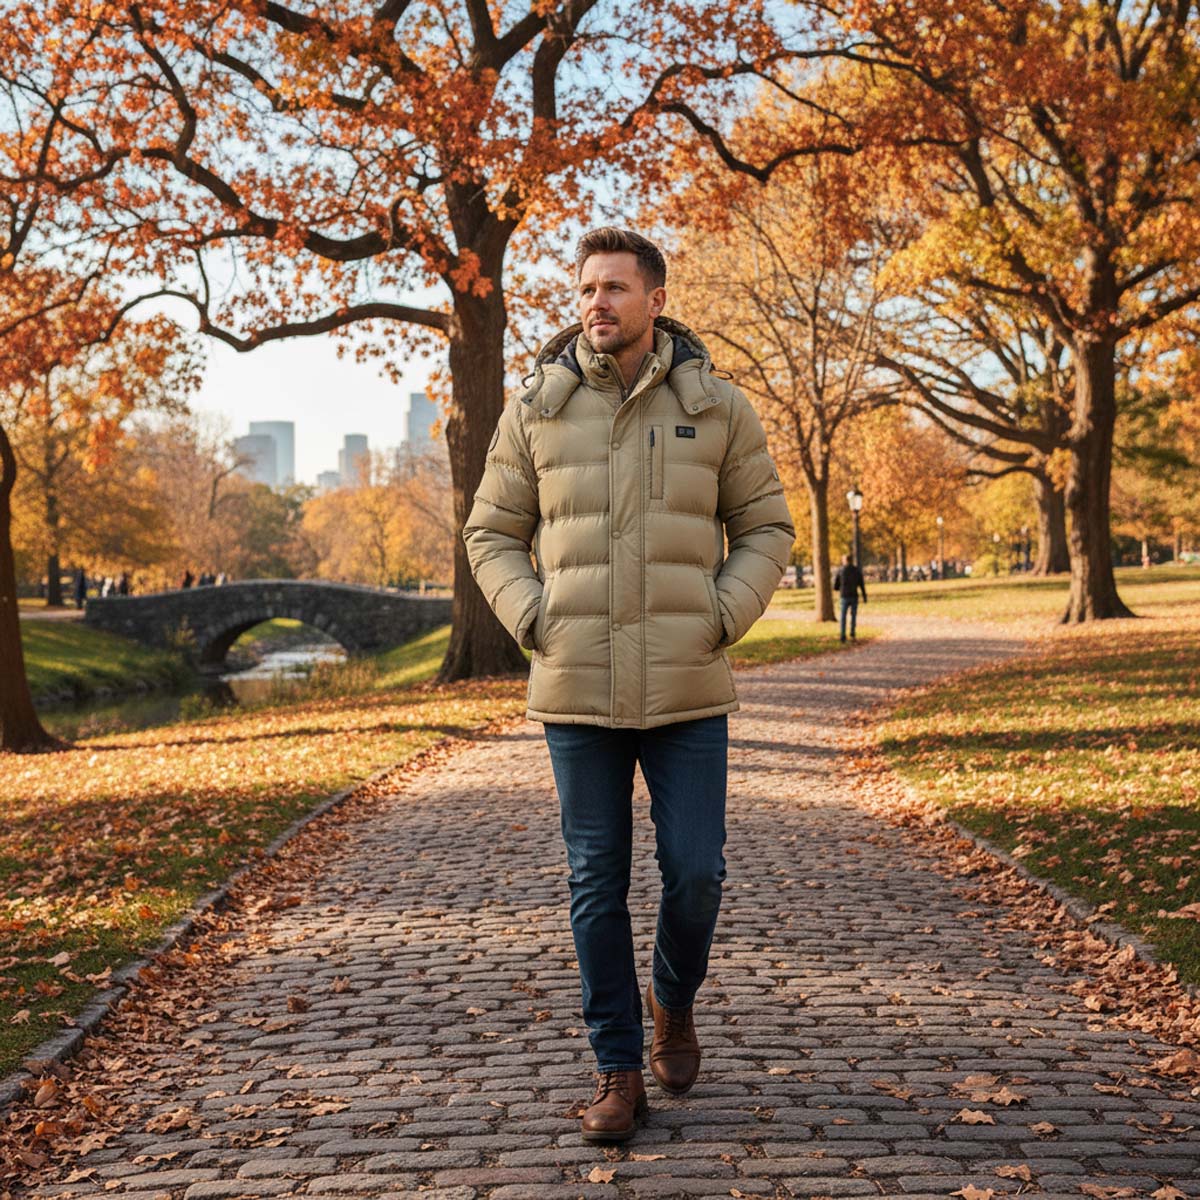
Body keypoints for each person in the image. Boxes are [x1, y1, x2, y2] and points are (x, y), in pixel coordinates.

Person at [463, 227, 794, 1144]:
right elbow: (489, 532)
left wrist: (719, 616)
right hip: (577, 688)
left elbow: (767, 528)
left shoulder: (718, 407)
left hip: (688, 684)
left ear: (655, 300)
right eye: (584, 290)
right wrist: (535, 618)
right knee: (592, 883)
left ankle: (672, 1000)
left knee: (696, 873)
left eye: (614, 288)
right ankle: (617, 1069)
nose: (595, 303)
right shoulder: (536, 407)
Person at [833, 553, 867, 641]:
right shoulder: (856, 570)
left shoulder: (841, 571)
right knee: (853, 615)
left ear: (844, 561)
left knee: (843, 616)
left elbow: (836, 586)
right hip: (854, 596)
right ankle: (852, 633)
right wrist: (864, 596)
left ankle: (843, 635)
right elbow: (861, 584)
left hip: (844, 596)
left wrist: (838, 588)